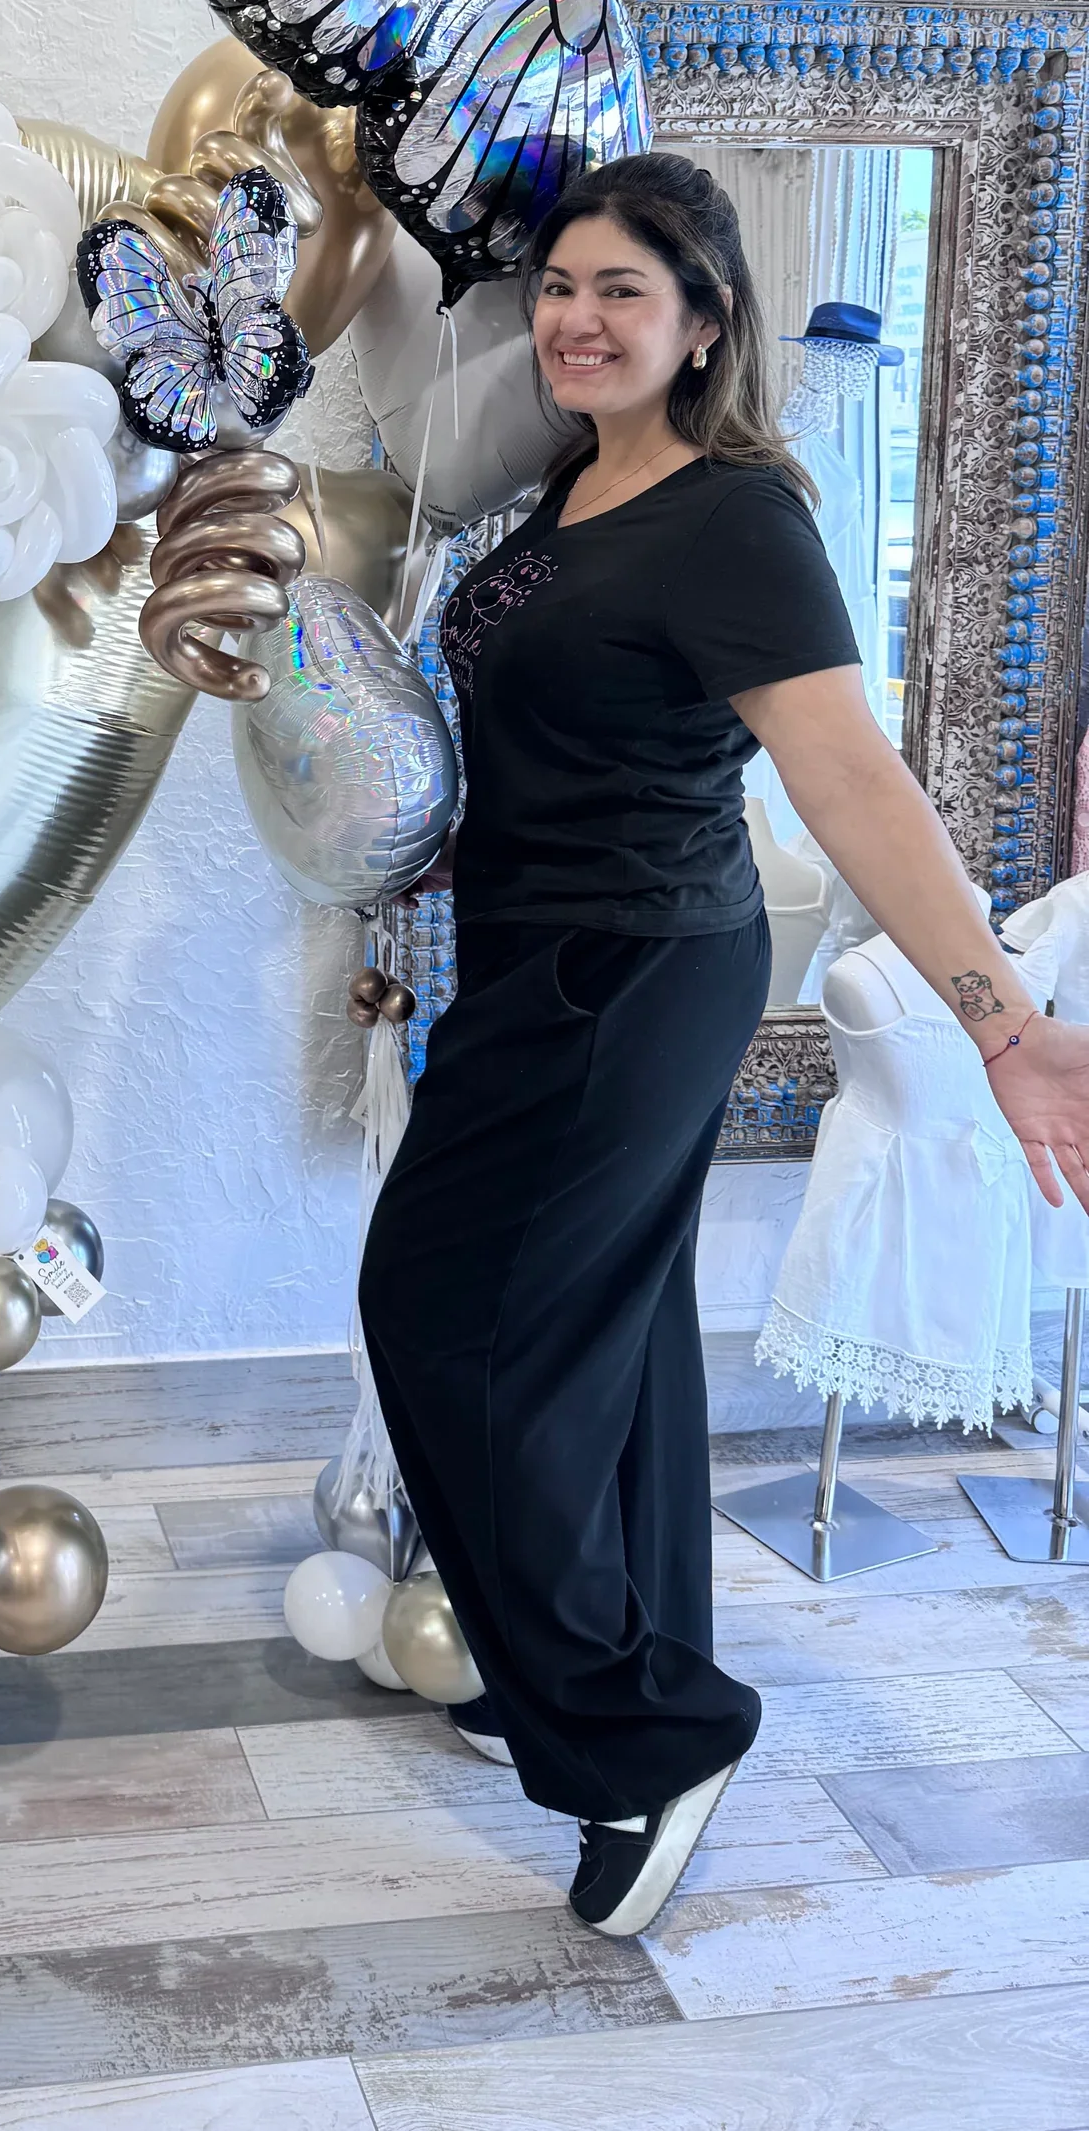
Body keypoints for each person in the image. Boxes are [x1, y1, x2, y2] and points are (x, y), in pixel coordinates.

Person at [357, 151, 1089, 1941]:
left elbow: (853, 782)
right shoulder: (570, 486)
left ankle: (644, 1735)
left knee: (445, 1320)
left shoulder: (738, 514)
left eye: (622, 290)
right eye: (559, 288)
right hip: (536, 960)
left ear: (705, 321)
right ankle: (599, 1661)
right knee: (604, 1344)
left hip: (632, 973)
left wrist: (1004, 1019)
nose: (578, 319)